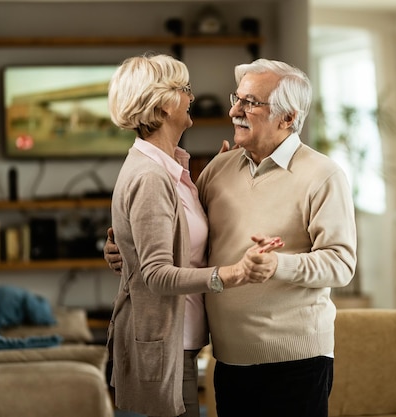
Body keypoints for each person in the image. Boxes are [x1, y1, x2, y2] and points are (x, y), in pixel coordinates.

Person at [105, 58, 357, 417]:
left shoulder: (323, 175)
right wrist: (123, 249)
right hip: (228, 359)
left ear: (287, 118)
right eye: (236, 99)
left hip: (296, 359)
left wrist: (275, 265)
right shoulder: (217, 170)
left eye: (250, 103)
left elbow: (341, 264)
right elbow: (183, 238)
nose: (234, 110)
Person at [105, 53, 282, 417]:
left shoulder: (174, 168)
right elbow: (156, 275)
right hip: (165, 348)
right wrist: (232, 274)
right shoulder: (151, 177)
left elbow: (173, 236)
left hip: (182, 343)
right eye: (185, 89)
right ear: (167, 102)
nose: (192, 97)